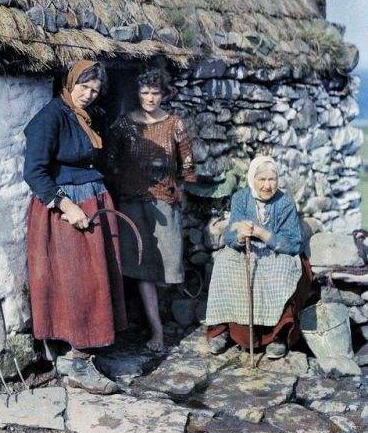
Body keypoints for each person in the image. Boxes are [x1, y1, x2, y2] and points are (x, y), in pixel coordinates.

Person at [23, 60, 127, 393]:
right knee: (79, 282)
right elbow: (35, 172)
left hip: (93, 201)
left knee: (97, 279)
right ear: (69, 83)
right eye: (83, 87)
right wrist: (67, 205)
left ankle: (85, 352)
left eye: (95, 91)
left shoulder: (88, 118)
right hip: (67, 210)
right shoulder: (50, 118)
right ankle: (79, 362)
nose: (88, 94)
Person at [107, 68, 196, 352]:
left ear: (163, 93)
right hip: (133, 202)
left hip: (166, 202)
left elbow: (188, 165)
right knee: (143, 268)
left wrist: (181, 187)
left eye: (155, 92)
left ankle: (151, 315)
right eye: (144, 92)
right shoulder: (124, 125)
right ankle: (156, 327)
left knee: (171, 267)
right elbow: (109, 160)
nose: (149, 98)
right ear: (137, 93)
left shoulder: (175, 124)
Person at [205, 155, 312, 359]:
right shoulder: (241, 198)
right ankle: (224, 329)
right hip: (245, 249)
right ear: (252, 179)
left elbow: (292, 243)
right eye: (262, 179)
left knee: (282, 272)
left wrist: (262, 233)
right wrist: (239, 234)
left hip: (277, 251)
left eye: (272, 179)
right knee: (224, 264)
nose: (267, 185)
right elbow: (229, 234)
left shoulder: (286, 202)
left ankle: (277, 336)